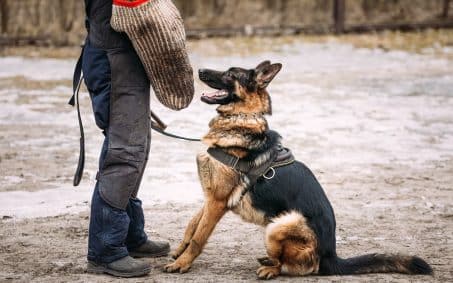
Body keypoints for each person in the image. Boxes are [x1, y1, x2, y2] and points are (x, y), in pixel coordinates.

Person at [80, 0, 194, 278]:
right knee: (124, 152)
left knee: (138, 147)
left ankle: (130, 236)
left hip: (127, 57)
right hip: (112, 60)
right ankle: (105, 248)